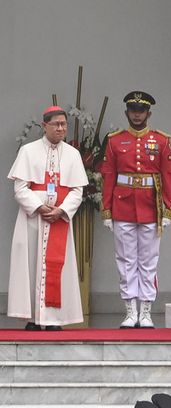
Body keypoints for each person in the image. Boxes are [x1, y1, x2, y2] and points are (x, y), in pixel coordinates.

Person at [99, 91, 171, 329]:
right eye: (133, 110)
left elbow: (169, 176)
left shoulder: (162, 141)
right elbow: (108, 176)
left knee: (148, 261)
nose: (136, 114)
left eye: (141, 110)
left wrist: (168, 209)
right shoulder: (114, 140)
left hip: (150, 207)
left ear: (148, 113)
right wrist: (107, 210)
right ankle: (130, 311)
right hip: (123, 207)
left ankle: (146, 311)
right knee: (125, 260)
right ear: (126, 113)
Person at [7, 105, 88, 330]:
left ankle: (54, 320)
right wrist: (40, 207)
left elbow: (77, 191)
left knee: (58, 268)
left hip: (59, 219)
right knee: (31, 267)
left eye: (64, 124)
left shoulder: (73, 154)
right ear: (45, 126)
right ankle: (32, 318)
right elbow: (20, 188)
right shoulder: (28, 151)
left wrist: (61, 210)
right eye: (56, 124)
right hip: (32, 220)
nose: (61, 128)